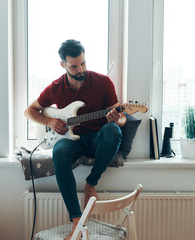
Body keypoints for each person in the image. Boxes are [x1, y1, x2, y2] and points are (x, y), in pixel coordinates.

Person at [24, 39, 126, 239]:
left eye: (83, 63)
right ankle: (76, 219)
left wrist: (118, 119)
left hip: (98, 138)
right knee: (59, 151)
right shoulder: (55, 88)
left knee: (113, 130)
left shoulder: (103, 82)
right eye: (74, 65)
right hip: (72, 141)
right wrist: (51, 122)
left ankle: (91, 183)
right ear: (63, 65)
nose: (80, 69)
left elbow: (121, 116)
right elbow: (29, 110)